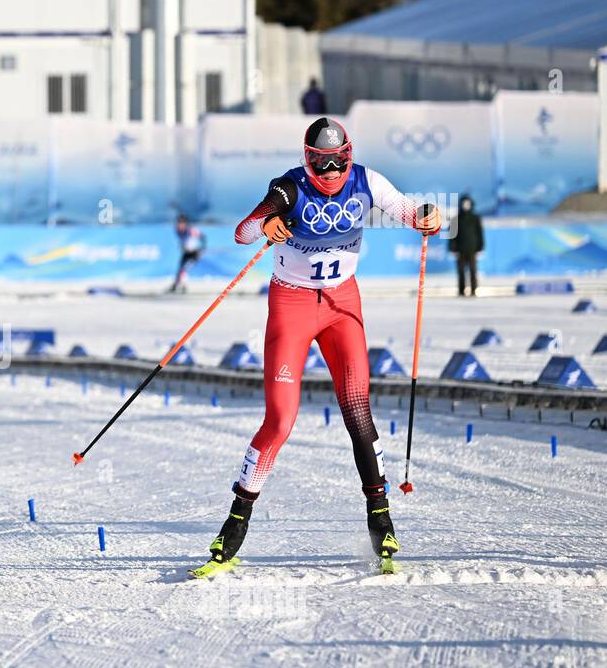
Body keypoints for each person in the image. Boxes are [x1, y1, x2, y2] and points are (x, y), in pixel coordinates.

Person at [192, 117, 441, 579]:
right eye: (321, 163)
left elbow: (408, 211)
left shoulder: (367, 181)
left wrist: (428, 216)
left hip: (342, 303)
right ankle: (235, 525)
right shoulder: (289, 188)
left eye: (338, 161)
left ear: (349, 154)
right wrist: (267, 224)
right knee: (281, 420)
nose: (330, 172)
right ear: (308, 159)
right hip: (292, 305)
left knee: (357, 411)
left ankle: (381, 522)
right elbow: (242, 233)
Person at [449, 194, 484, 296]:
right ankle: (461, 290)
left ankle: (473, 290)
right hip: (460, 250)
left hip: (472, 249)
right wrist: (452, 248)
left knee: (473, 271)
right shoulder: (455, 219)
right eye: (464, 203)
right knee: (461, 272)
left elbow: (480, 234)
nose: (466, 206)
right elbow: (452, 235)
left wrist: (480, 247)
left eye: (467, 203)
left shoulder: (475, 218)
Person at [169, 214, 205, 293]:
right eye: (178, 223)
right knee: (180, 269)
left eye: (181, 223)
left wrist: (203, 249)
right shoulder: (178, 231)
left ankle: (183, 286)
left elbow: (203, 237)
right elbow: (183, 241)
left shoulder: (190, 230)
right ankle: (176, 285)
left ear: (185, 223)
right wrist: (182, 246)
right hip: (186, 253)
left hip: (194, 253)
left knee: (184, 269)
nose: (179, 225)